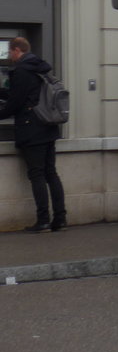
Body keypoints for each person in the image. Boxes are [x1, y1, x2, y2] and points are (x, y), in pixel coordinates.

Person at [0, 37, 67, 232]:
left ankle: (43, 220)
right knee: (51, 173)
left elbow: (15, 103)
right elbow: (22, 94)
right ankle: (60, 218)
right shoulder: (38, 68)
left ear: (17, 50)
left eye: (10, 52)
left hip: (32, 130)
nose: (9, 57)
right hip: (47, 127)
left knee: (37, 175)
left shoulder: (22, 70)